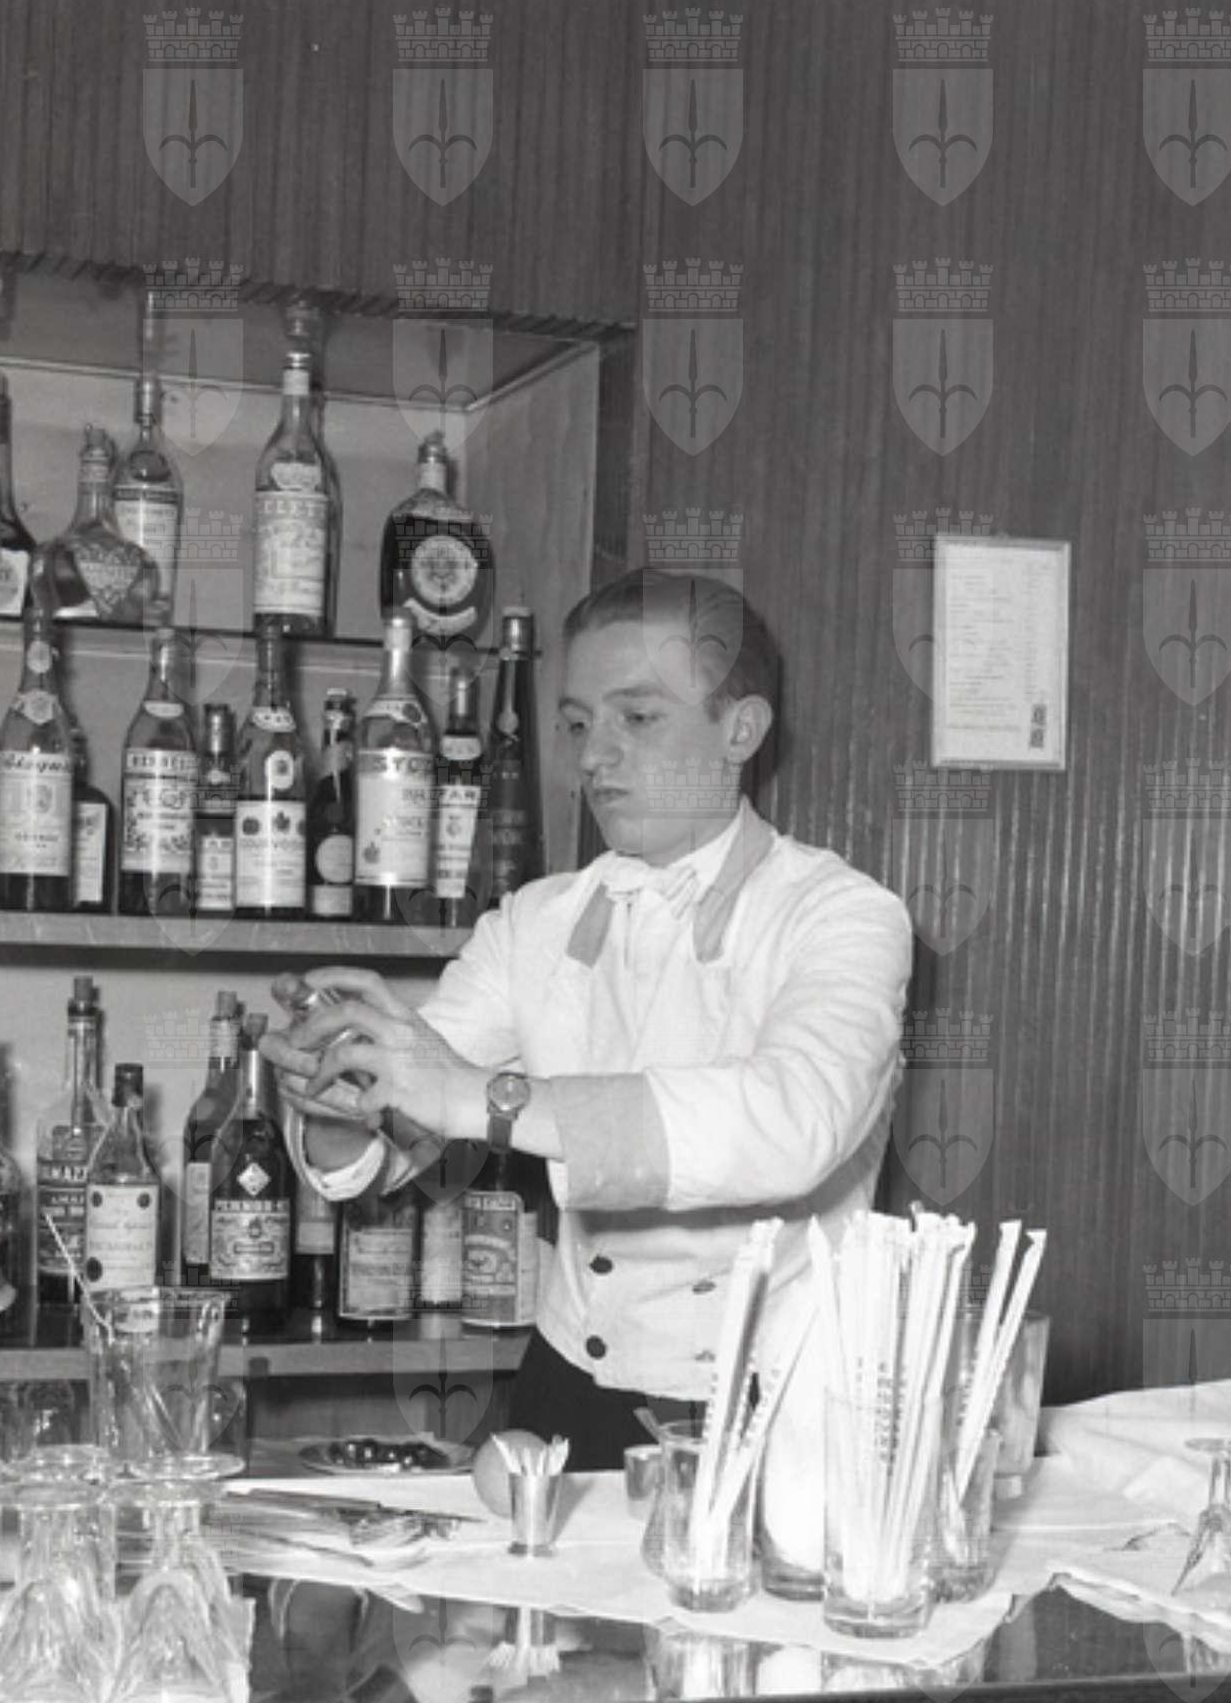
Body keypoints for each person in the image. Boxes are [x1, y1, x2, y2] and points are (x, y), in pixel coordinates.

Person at [264, 568, 911, 1583]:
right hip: (568, 1394)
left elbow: (792, 1123)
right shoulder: (534, 922)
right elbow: (391, 1134)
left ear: (740, 728)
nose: (593, 757)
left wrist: (480, 1097)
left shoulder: (841, 915)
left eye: (637, 718)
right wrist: (339, 1084)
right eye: (576, 724)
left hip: (773, 1412)